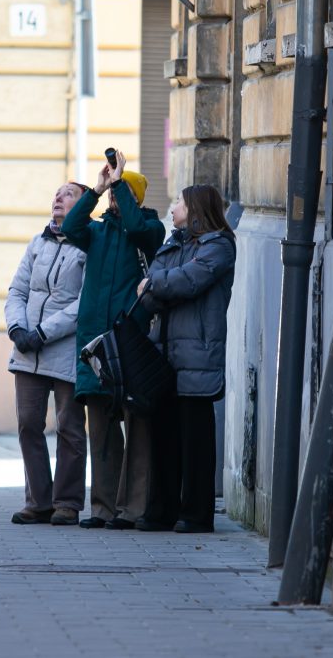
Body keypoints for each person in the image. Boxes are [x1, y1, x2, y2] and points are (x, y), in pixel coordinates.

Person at [62, 150, 165, 529]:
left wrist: (120, 183)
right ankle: (103, 508)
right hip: (96, 344)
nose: (114, 199)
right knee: (102, 433)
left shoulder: (151, 228)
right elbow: (71, 227)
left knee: (137, 429)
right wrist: (96, 189)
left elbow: (137, 229)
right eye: (113, 193)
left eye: (121, 193)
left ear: (133, 196)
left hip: (130, 341)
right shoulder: (98, 231)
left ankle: (131, 509)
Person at [135, 184, 236, 533]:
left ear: (195, 208)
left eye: (178, 201)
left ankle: (196, 515)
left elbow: (190, 281)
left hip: (198, 354)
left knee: (195, 442)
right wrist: (160, 287)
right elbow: (148, 294)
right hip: (164, 354)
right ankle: (161, 512)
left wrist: (157, 285)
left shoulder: (219, 245)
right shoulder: (172, 245)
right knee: (162, 438)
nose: (174, 207)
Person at [5, 182, 90, 526]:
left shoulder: (87, 246)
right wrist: (17, 329)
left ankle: (66, 503)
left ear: (84, 206)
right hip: (27, 350)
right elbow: (17, 290)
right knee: (28, 424)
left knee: (70, 427)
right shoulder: (37, 242)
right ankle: (38, 502)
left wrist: (43, 332)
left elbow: (83, 305)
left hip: (65, 349)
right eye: (57, 192)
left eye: (69, 194)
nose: (58, 197)